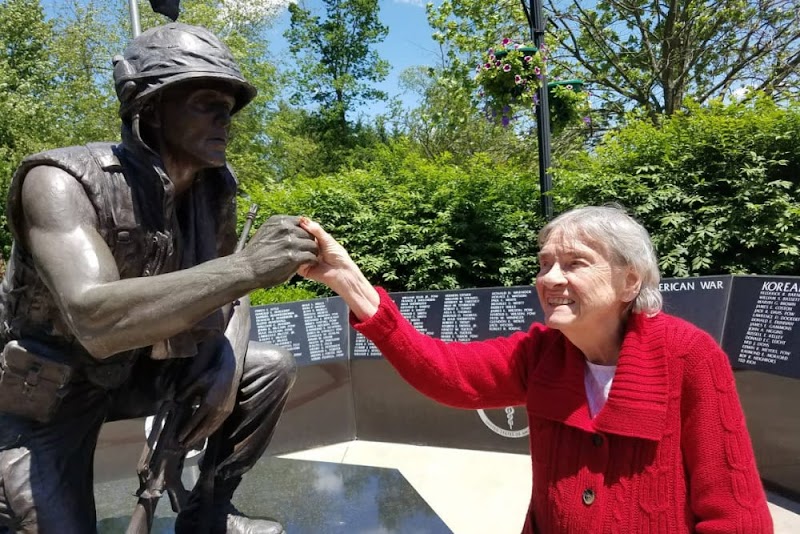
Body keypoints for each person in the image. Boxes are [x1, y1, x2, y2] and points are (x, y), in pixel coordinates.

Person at [0, 23, 318, 534]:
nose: (225, 117)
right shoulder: (60, 181)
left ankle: (208, 514)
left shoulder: (213, 188)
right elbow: (93, 316)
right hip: (48, 394)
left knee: (266, 368)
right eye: (205, 101)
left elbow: (230, 296)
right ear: (148, 107)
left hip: (140, 371)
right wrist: (247, 268)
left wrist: (224, 362)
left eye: (229, 105)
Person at [297, 205, 774, 534]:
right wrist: (347, 280)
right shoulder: (543, 351)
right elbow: (447, 373)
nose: (550, 279)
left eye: (574, 263)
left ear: (630, 280)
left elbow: (734, 510)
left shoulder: (689, 356)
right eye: (545, 264)